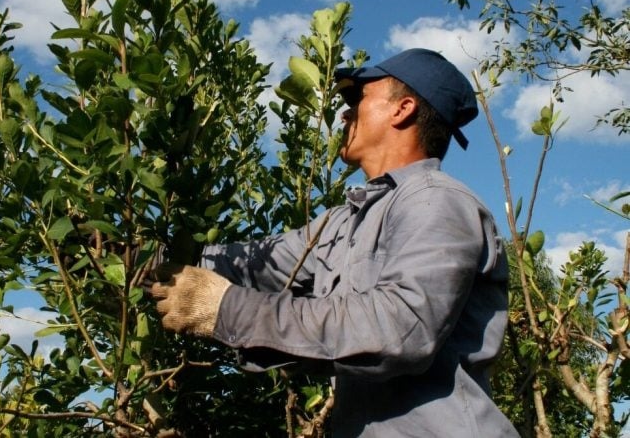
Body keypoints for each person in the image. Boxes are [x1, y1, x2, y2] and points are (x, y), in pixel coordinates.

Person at [150, 48, 518, 437]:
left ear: (402, 109)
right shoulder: (342, 222)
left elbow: (400, 328)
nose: (344, 114)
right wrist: (133, 258)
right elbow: (254, 263)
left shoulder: (436, 200)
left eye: (357, 98)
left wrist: (227, 309)